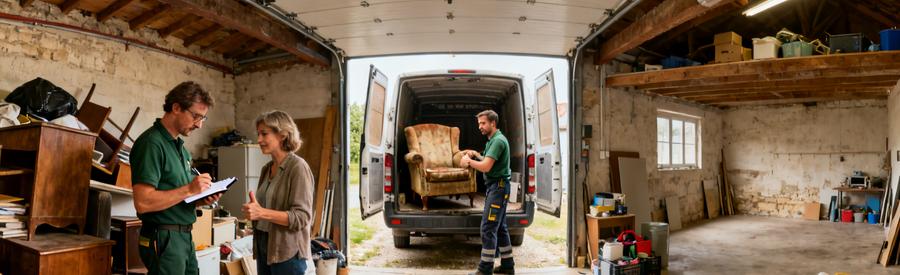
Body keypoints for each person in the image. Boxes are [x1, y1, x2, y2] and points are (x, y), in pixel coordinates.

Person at [131, 81, 221, 275]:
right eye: (196, 116)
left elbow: (176, 197)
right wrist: (189, 189)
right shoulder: (152, 143)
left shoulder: (180, 148)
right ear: (176, 107)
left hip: (183, 237)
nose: (199, 124)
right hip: (164, 237)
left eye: (203, 118)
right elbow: (143, 202)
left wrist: (200, 198)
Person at [242, 110, 314, 275]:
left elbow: (302, 217)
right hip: (264, 247)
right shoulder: (266, 169)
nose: (259, 140)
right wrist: (253, 213)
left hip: (287, 252)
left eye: (264, 134)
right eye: (258, 134)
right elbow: (263, 209)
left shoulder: (298, 167)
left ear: (282, 135)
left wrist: (261, 213)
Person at [461, 110, 515, 275]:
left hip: (498, 188)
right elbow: (485, 159)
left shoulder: (498, 141)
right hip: (498, 187)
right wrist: (476, 154)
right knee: (500, 228)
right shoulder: (493, 140)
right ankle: (507, 266)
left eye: (483, 123)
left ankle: (485, 269)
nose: (480, 127)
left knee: (488, 227)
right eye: (479, 124)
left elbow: (486, 167)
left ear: (493, 123)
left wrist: (469, 161)